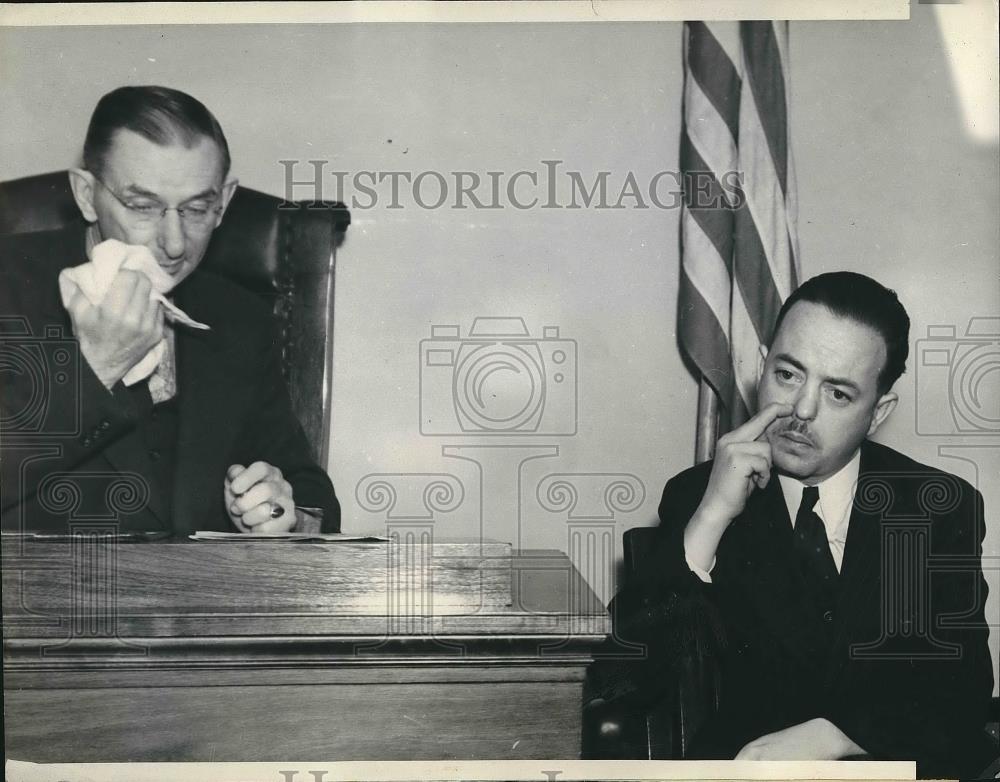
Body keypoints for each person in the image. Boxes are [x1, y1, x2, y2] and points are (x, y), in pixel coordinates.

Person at [609, 272, 993, 777]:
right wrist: (712, 515)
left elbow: (960, 689)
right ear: (762, 366)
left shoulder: (933, 505)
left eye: (838, 394)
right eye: (788, 375)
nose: (801, 411)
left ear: (878, 413)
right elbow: (633, 674)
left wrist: (834, 736)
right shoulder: (697, 493)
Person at [0, 86, 340, 535]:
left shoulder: (239, 315)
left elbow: (308, 491)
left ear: (225, 200)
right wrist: (97, 367)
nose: (175, 244)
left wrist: (286, 515)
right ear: (85, 195)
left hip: (197, 598)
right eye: (143, 207)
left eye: (199, 208)